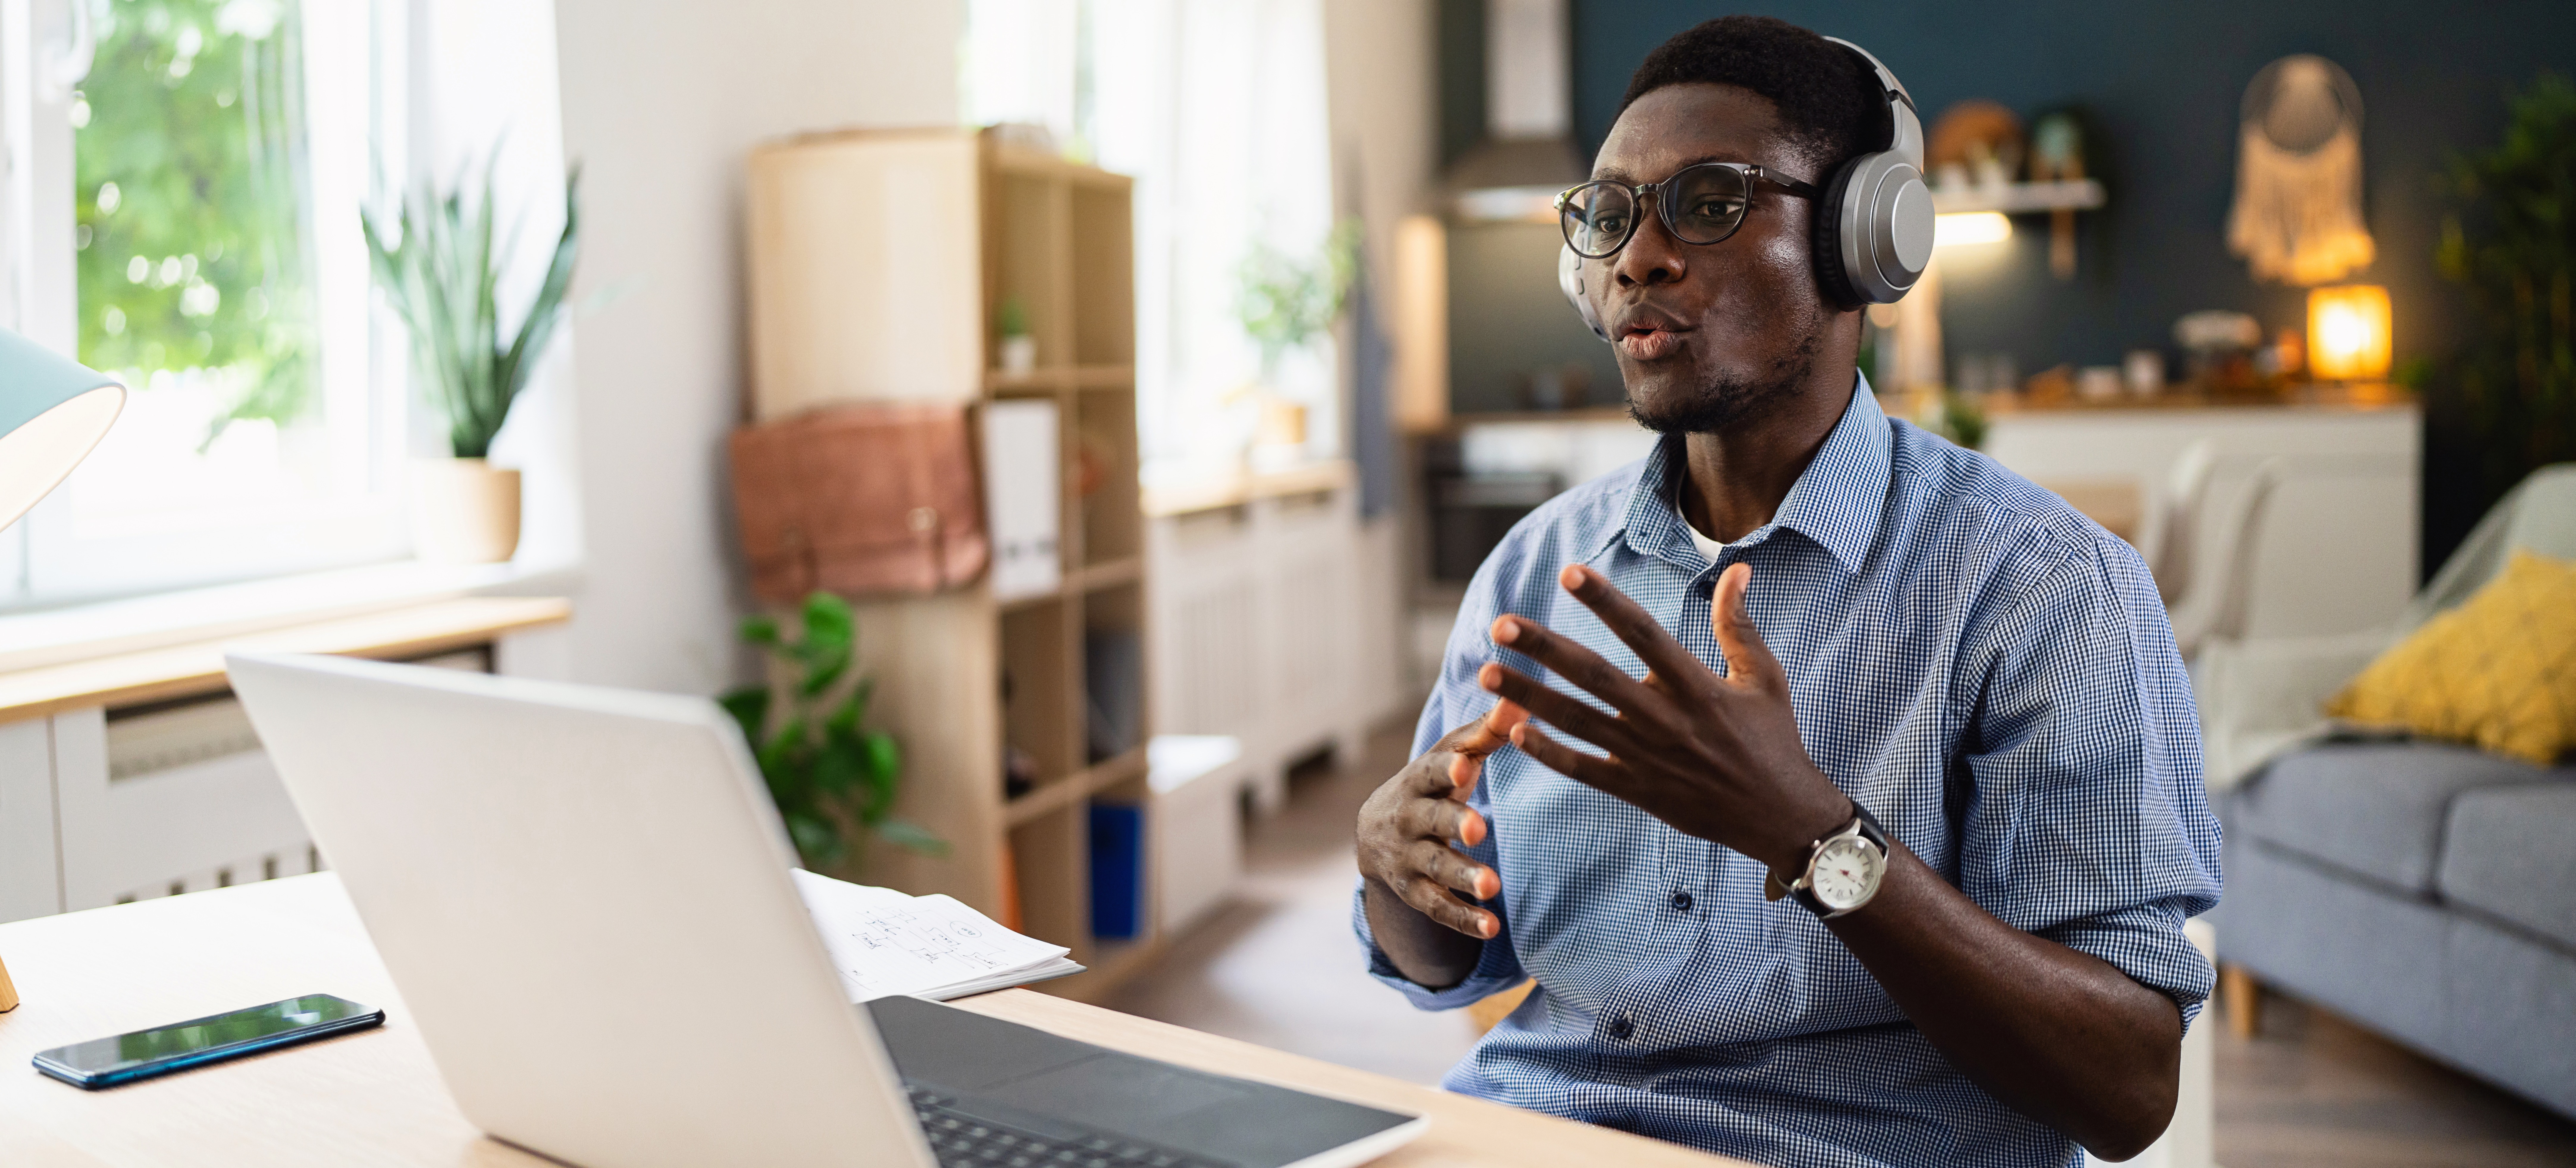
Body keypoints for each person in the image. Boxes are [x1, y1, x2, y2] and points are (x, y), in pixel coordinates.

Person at [1352, 16, 2220, 1168]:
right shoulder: (1533, 569)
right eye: (1609, 216)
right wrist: (1393, 877)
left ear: (1866, 240)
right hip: (1527, 1131)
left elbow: (2125, 1088)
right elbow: (1454, 959)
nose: (1637, 258)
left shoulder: (2045, 586)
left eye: (1710, 203)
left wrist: (1814, 840)